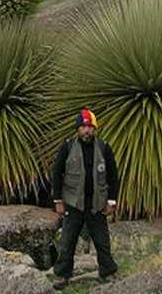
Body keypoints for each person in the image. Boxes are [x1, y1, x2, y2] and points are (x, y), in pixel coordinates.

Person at [51, 108, 119, 290]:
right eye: (83, 127)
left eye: (90, 127)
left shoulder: (104, 147)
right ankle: (62, 276)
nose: (87, 130)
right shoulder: (67, 147)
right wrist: (57, 200)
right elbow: (57, 173)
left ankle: (108, 273)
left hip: (97, 204)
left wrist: (111, 201)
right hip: (73, 204)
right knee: (67, 242)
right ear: (77, 129)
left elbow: (113, 175)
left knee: (102, 242)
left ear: (95, 129)